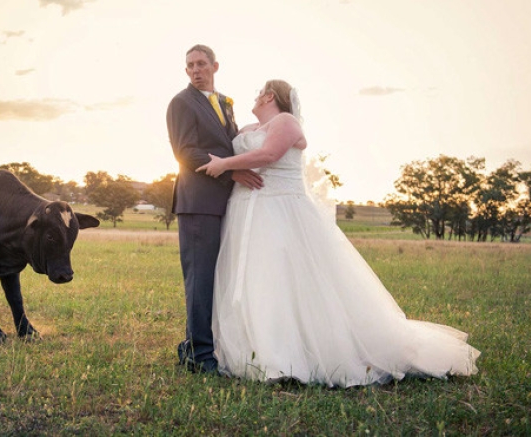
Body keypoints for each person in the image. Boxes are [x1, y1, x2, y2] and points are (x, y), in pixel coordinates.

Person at [197, 79, 480, 386]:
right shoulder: (244, 130)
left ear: (269, 95)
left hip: (280, 212)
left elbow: (268, 156)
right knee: (256, 280)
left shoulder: (286, 122)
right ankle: (254, 350)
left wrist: (225, 164)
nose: (254, 96)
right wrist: (230, 167)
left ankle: (289, 355)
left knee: (284, 278)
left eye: (258, 92)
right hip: (244, 212)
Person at [166, 44, 263, 374]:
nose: (196, 70)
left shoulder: (224, 103)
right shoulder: (181, 103)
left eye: (202, 64)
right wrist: (232, 171)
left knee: (218, 277)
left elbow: (229, 143)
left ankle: (195, 345)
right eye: (190, 65)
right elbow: (185, 153)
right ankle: (199, 355)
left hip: (224, 201)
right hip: (198, 202)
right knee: (200, 279)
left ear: (215, 66)